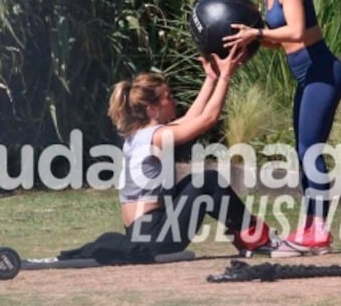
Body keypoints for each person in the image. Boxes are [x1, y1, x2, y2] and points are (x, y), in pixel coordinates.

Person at [223, 0, 341, 257]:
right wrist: (250, 42)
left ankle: (318, 231)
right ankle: (311, 229)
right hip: (306, 75)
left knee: (310, 150)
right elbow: (292, 41)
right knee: (303, 150)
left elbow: (294, 31)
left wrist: (258, 35)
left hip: (323, 72)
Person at [107, 46, 277, 258]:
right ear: (153, 109)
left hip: (144, 233)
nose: (174, 101)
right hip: (155, 236)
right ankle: (259, 239)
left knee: (199, 182)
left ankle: (251, 237)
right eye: (168, 97)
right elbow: (207, 120)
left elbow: (190, 119)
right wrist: (225, 76)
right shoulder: (157, 136)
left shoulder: (139, 134)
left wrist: (211, 79)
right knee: (208, 181)